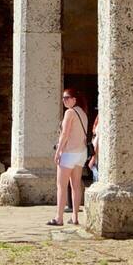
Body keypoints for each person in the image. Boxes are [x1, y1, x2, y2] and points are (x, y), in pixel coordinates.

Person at [50, 88, 91, 226]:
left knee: (61, 186)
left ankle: (59, 217)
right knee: (76, 186)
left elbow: (65, 135)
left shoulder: (70, 112)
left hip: (69, 153)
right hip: (81, 153)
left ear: (74, 99)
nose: (64, 100)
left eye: (67, 98)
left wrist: (58, 152)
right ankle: (74, 217)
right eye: (63, 98)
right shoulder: (83, 113)